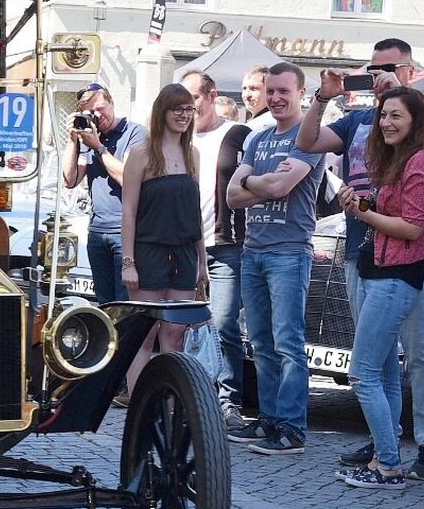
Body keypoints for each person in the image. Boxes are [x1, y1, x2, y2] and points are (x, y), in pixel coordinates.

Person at [297, 38, 424, 479]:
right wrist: (324, 97)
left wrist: (402, 97)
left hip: (407, 259)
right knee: (375, 356)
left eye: (389, 67)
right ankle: (383, 440)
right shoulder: (360, 118)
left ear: (408, 69)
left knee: (420, 352)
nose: (379, 74)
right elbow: (308, 140)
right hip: (364, 249)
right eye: (374, 68)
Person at [337, 88, 424, 490]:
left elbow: (413, 227)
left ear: (416, 120)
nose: (385, 122)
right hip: (391, 268)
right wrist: (364, 202)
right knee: (382, 369)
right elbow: (395, 213)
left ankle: (412, 454)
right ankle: (388, 453)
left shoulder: (421, 160)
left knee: (414, 358)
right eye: (383, 115)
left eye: (395, 116)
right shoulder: (397, 159)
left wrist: (364, 213)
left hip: (406, 270)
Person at [226, 62, 324, 454]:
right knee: (261, 344)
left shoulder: (309, 137)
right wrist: (260, 184)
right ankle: (268, 421)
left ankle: (292, 429)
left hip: (288, 251)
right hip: (253, 250)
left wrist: (255, 183)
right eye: (271, 91)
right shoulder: (257, 138)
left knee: (288, 344)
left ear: (301, 93)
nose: (276, 98)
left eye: (285, 91)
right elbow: (232, 196)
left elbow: (283, 186)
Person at [120, 83, 208, 394]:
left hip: (184, 251)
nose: (184, 115)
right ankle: (139, 400)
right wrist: (128, 261)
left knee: (175, 333)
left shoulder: (192, 154)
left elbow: (193, 210)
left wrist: (202, 262)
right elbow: (128, 210)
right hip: (149, 250)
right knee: (144, 332)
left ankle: (170, 402)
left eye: (189, 110)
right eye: (178, 109)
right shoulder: (142, 153)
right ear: (164, 112)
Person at [180, 71, 253, 431]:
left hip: (225, 245)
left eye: (192, 98)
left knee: (223, 323)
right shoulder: (177, 138)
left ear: (210, 96)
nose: (187, 107)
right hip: (183, 246)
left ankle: (227, 400)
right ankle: (190, 394)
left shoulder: (236, 134)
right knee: (181, 323)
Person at [61, 83, 147, 307]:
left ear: (112, 103)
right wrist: (73, 140)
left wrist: (99, 147)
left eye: (100, 108)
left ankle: (125, 344)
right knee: (104, 304)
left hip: (126, 233)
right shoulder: (90, 137)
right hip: (97, 232)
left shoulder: (135, 133)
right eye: (90, 112)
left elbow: (129, 179)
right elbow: (69, 180)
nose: (97, 115)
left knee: (125, 304)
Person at [241, 65, 274, 134]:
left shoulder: (272, 124)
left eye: (254, 89)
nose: (247, 95)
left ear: (270, 91)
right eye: (244, 88)